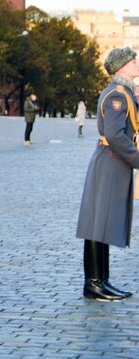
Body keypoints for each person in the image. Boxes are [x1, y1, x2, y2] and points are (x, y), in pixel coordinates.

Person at [75, 47, 139, 301]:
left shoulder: (124, 92)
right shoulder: (117, 95)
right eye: (134, 61)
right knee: (97, 224)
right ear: (122, 66)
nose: (137, 64)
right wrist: (136, 158)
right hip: (111, 161)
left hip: (113, 162)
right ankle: (93, 283)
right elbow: (114, 134)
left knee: (102, 223)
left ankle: (102, 280)